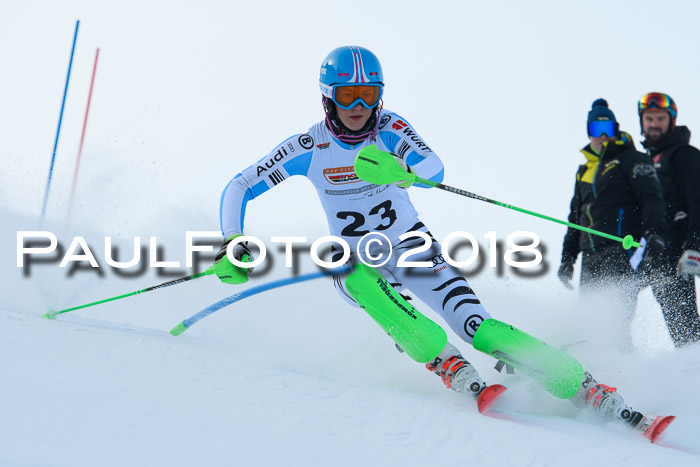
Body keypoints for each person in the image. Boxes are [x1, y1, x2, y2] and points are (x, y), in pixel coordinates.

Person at [214, 46, 665, 435]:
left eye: (368, 94)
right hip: (358, 258)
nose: (358, 105)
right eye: (347, 94)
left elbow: (434, 169)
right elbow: (239, 186)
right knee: (354, 274)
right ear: (327, 96)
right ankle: (441, 359)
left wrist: (404, 171)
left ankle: (580, 385)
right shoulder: (307, 147)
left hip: (414, 249)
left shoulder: (390, 127)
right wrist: (231, 241)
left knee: (481, 329)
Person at [558, 99, 668, 349]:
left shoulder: (632, 159)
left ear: (616, 129)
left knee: (614, 321)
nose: (604, 136)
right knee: (590, 325)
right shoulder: (584, 170)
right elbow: (575, 219)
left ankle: (626, 374)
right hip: (590, 257)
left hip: (621, 251)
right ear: (589, 133)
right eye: (597, 131)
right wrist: (567, 259)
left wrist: (654, 233)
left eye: (609, 129)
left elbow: (652, 198)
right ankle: (596, 373)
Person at [638, 92, 700, 347]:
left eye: (660, 118)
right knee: (618, 300)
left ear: (671, 121)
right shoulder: (643, 161)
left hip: (677, 251)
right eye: (649, 118)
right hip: (652, 252)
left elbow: (698, 200)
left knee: (684, 324)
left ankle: (693, 366)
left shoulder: (683, 154)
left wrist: (694, 246)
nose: (654, 123)